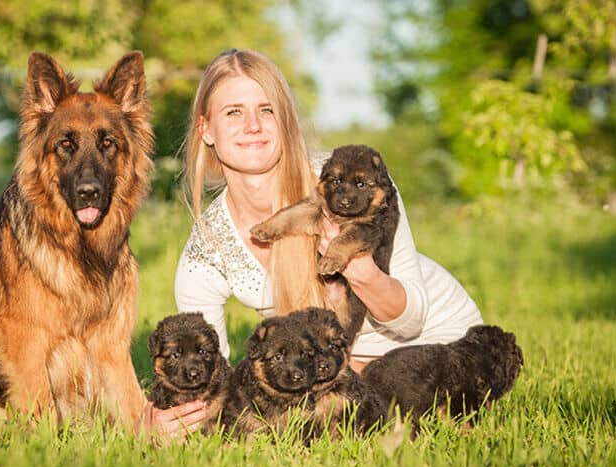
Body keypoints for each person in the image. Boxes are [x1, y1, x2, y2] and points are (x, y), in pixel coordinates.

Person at [142, 48, 483, 439]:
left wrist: (361, 271)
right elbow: (210, 373)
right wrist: (154, 422)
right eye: (233, 112)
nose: (253, 125)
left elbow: (410, 321)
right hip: (336, 365)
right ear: (206, 129)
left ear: (285, 122)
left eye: (266, 110)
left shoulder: (348, 183)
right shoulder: (208, 246)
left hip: (437, 342)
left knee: (341, 413)